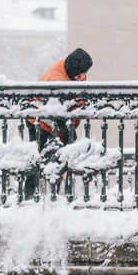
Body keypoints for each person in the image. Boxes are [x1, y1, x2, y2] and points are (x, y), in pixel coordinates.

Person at [23, 48, 93, 199]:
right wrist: (68, 131)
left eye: (84, 74)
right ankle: (29, 195)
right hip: (39, 120)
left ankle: (56, 193)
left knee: (60, 158)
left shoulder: (75, 70)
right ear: (72, 71)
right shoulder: (57, 80)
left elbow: (77, 94)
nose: (82, 78)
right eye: (79, 75)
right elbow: (53, 110)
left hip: (58, 118)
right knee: (39, 158)